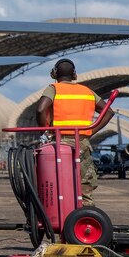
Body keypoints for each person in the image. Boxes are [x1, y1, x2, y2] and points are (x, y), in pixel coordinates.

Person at [35, 58, 113, 206]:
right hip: (82, 141)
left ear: (54, 73)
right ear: (74, 74)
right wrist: (90, 131)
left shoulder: (53, 88)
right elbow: (108, 112)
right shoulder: (87, 91)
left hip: (59, 141)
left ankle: (60, 211)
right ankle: (86, 214)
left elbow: (40, 109)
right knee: (84, 180)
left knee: (56, 179)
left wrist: (43, 130)